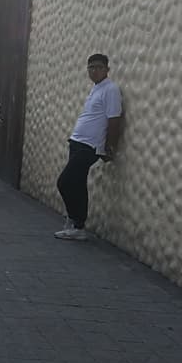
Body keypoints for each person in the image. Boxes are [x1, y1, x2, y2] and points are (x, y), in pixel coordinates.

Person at [54, 53, 123, 241]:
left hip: (90, 146)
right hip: (77, 142)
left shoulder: (111, 89)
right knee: (78, 184)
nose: (94, 70)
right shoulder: (96, 89)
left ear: (107, 69)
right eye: (91, 67)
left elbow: (114, 120)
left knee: (64, 182)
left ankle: (74, 220)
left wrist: (110, 147)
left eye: (99, 67)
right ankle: (78, 227)